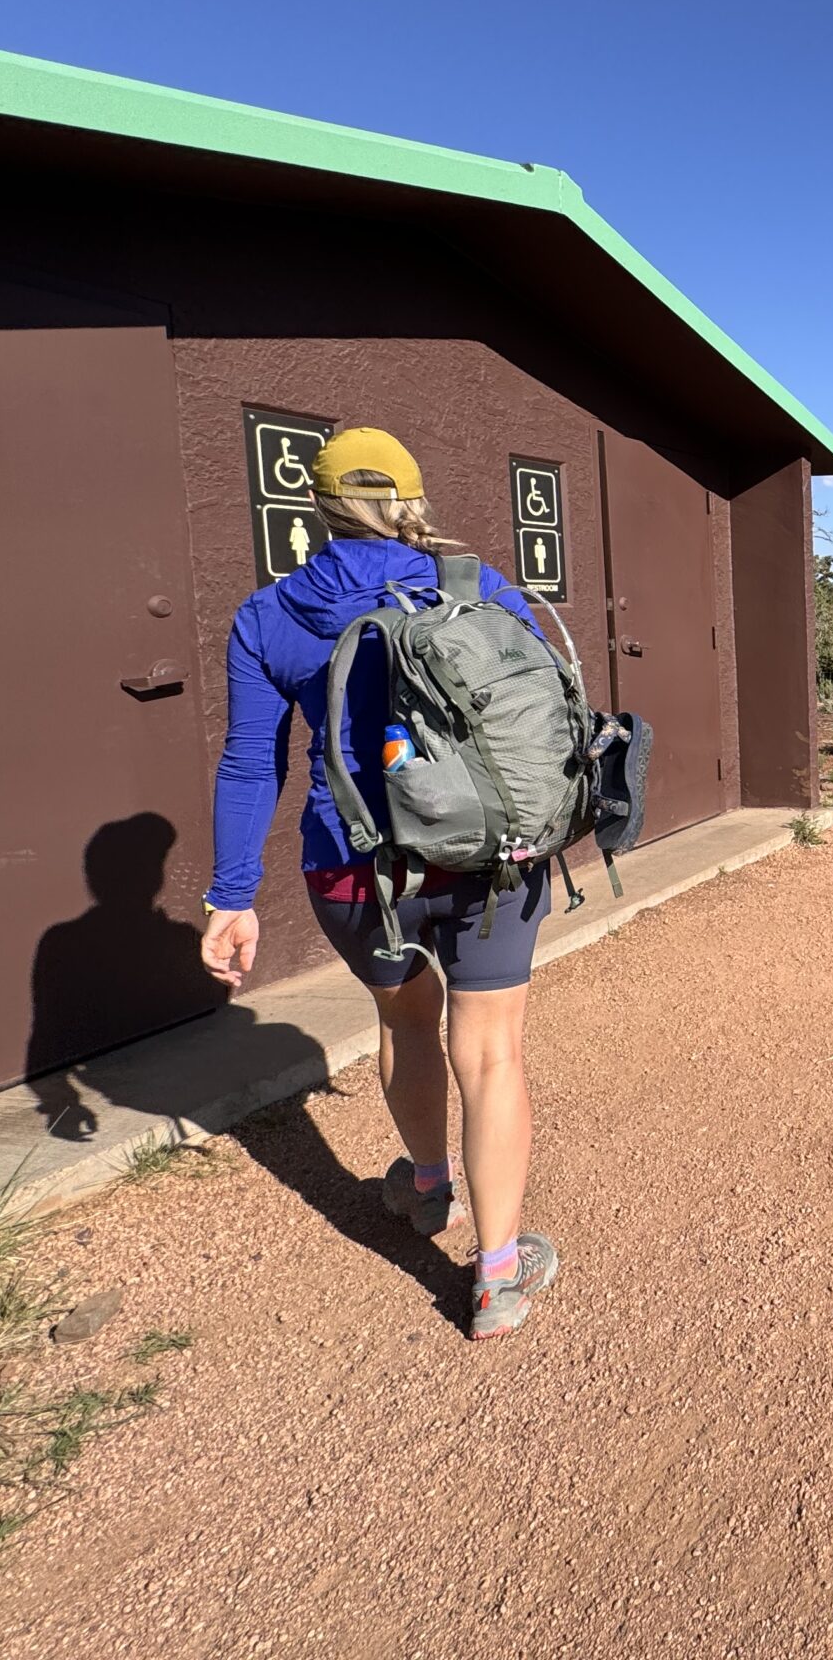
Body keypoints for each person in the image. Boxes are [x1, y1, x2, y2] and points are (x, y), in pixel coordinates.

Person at [200, 428, 561, 1339]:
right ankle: (499, 1277)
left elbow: (251, 766)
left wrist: (232, 895)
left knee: (404, 1019)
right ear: (411, 497)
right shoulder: (477, 586)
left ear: (313, 509)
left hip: (351, 864)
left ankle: (428, 1186)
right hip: (487, 859)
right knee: (490, 1050)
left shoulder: (268, 614)